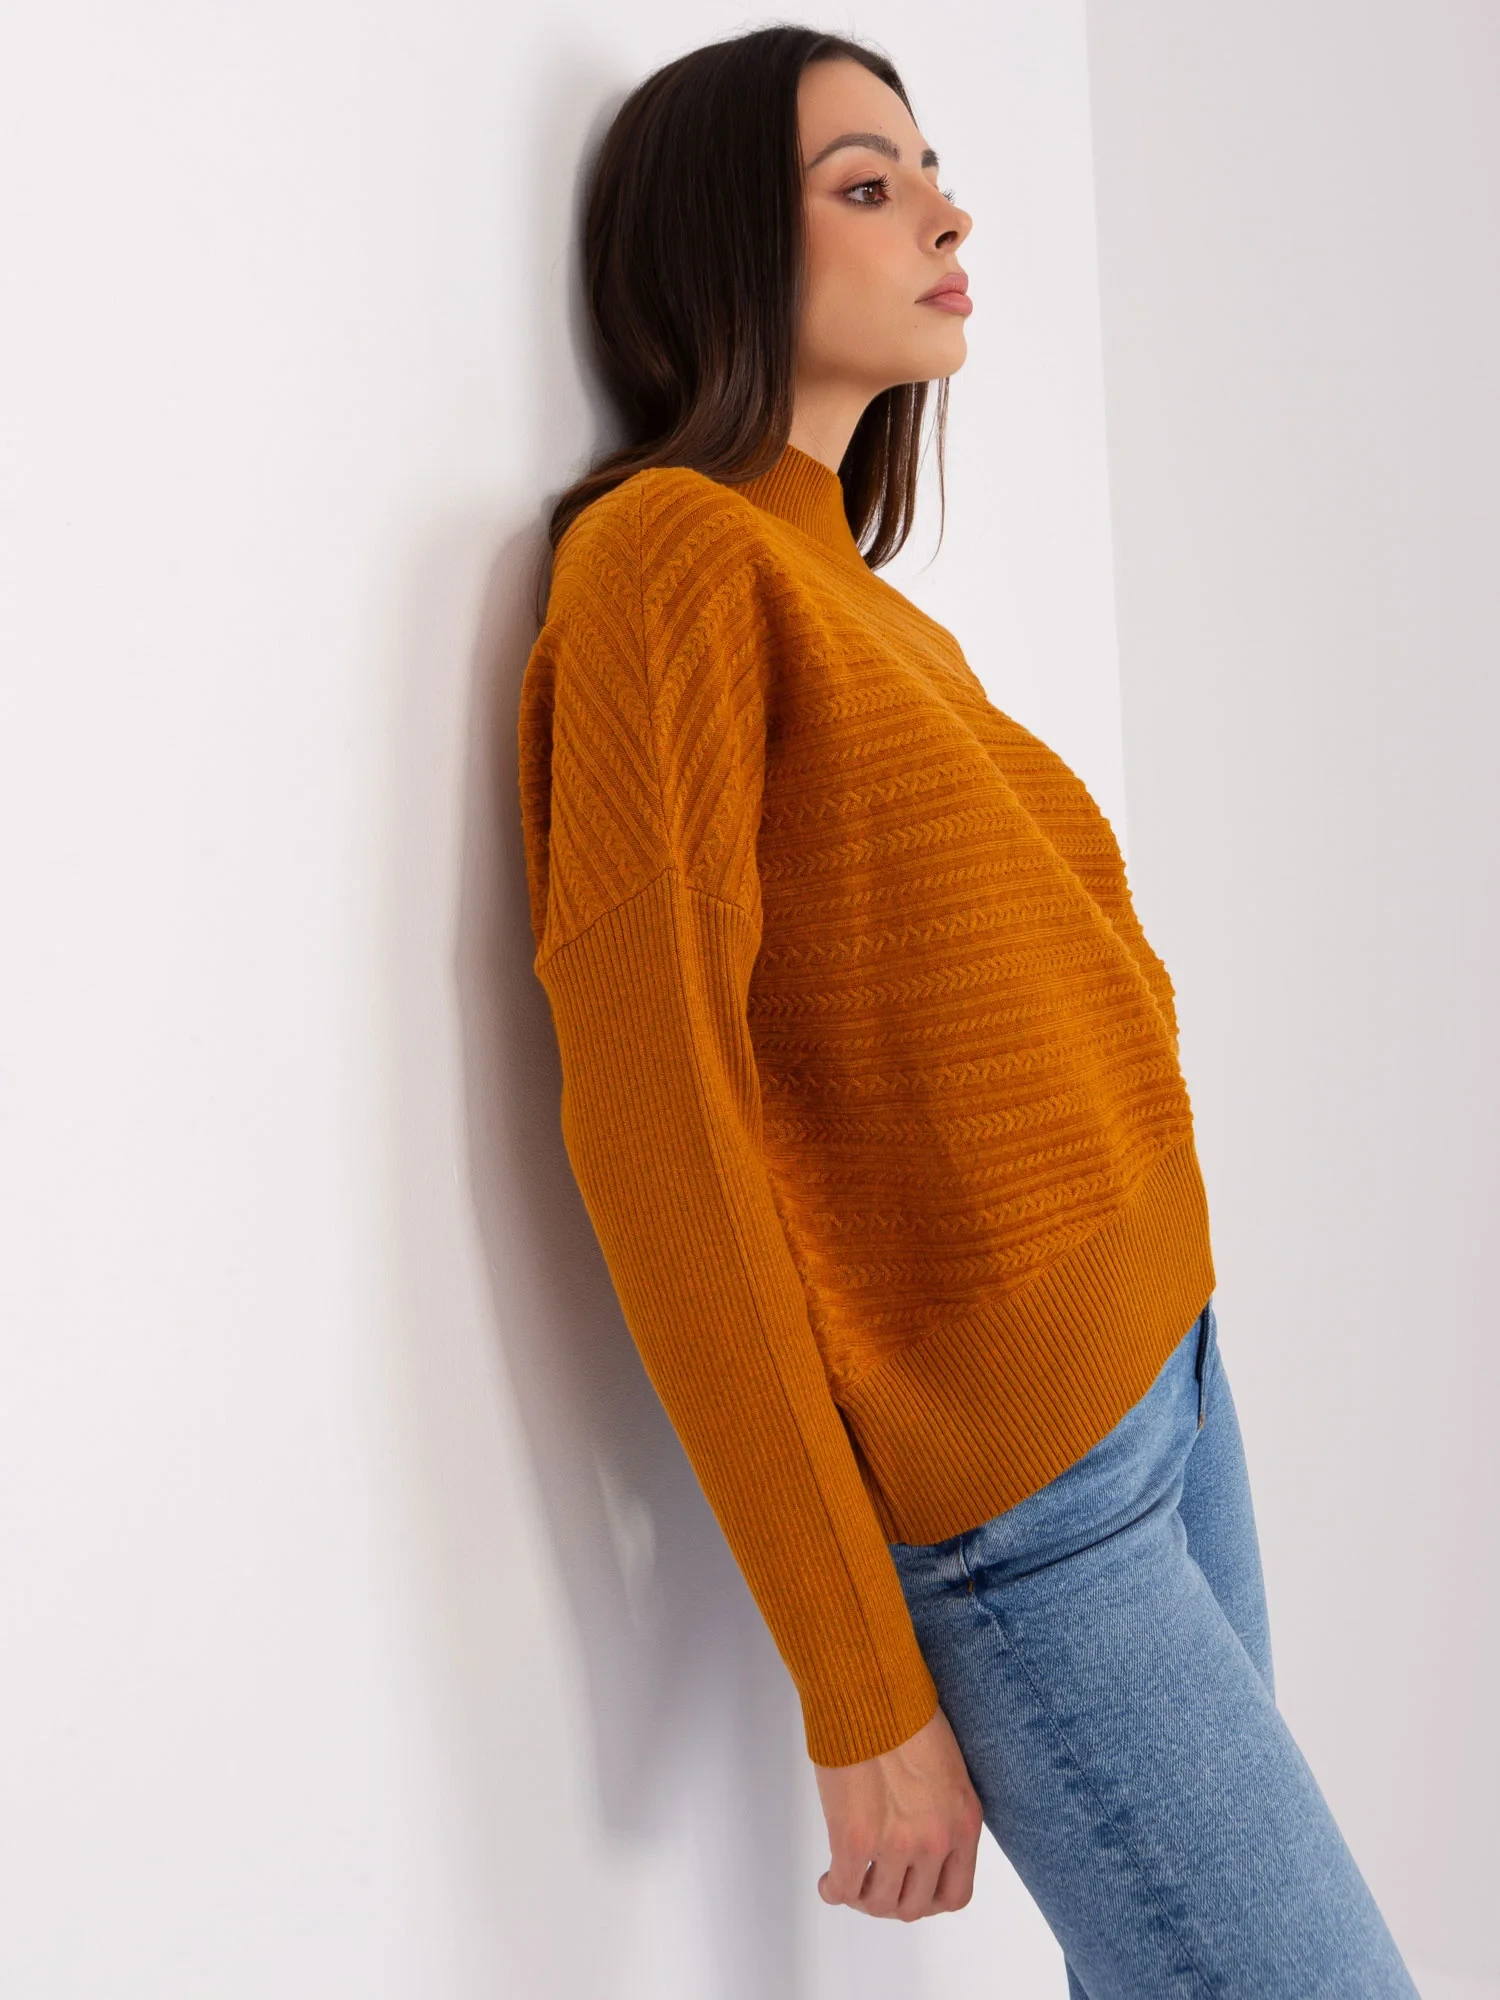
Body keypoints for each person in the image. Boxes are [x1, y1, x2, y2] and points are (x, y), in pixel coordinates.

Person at [517, 25, 1419, 1996]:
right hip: (1028, 1507)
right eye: (868, 184)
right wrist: (857, 1677)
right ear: (719, 250)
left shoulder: (857, 595)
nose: (947, 213)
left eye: (930, 170)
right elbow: (660, 1126)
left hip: (1171, 1392)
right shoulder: (667, 557)